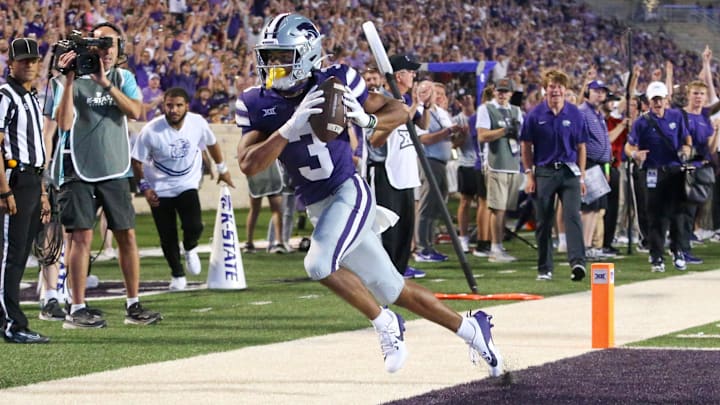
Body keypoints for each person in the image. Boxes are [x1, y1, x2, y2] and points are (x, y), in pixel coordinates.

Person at [236, 13, 502, 376]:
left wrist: (368, 120)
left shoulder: (336, 81)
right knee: (395, 288)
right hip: (318, 206)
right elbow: (249, 164)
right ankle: (474, 331)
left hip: (349, 192)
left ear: (308, 54)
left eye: (283, 56)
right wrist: (288, 128)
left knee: (317, 263)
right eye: (270, 56)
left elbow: (397, 109)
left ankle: (384, 323)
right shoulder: (255, 101)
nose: (274, 65)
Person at [52, 22, 162, 328]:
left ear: (120, 48)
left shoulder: (123, 77)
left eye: (112, 44)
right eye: (100, 44)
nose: (107, 50)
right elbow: (62, 124)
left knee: (126, 234)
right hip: (78, 167)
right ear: (89, 47)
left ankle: (133, 304)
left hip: (114, 166)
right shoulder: (66, 78)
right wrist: (70, 79)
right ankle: (76, 307)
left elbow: (137, 112)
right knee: (81, 237)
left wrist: (105, 83)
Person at [132, 87, 234, 291]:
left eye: (179, 105)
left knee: (194, 225)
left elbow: (212, 143)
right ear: (164, 106)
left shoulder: (198, 123)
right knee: (167, 234)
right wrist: (144, 187)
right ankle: (177, 274)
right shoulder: (151, 130)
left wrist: (222, 168)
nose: (174, 110)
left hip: (187, 182)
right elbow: (136, 161)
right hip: (159, 186)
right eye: (169, 105)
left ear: (187, 106)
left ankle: (190, 247)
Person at [0, 38, 52, 343]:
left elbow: (37, 149)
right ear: (11, 64)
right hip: (15, 180)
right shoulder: (5, 95)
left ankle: (8, 319)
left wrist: (43, 191)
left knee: (18, 254)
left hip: (31, 180)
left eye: (33, 60)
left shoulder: (30, 96)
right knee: (11, 254)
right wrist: (4, 189)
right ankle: (13, 323)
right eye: (23, 60)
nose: (29, 65)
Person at [520, 69, 588, 282]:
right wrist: (529, 174)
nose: (555, 90)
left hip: (569, 171)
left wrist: (582, 176)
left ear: (565, 90)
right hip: (545, 171)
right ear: (545, 89)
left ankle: (577, 262)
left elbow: (581, 146)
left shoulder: (575, 113)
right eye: (551, 86)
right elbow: (526, 146)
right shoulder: (535, 114)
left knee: (573, 216)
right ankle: (544, 267)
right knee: (544, 220)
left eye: (559, 86)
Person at [365, 56, 430, 279]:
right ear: (399, 75)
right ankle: (384, 271)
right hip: (385, 169)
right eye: (410, 72)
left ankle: (400, 268)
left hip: (404, 171)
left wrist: (423, 105)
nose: (414, 76)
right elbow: (374, 140)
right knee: (387, 227)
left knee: (405, 226)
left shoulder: (402, 99)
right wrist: (399, 116)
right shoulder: (379, 100)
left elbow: (422, 124)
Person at [625, 81, 692, 273]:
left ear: (666, 99)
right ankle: (656, 255)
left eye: (660, 99)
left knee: (678, 213)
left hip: (674, 170)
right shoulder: (641, 122)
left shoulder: (676, 116)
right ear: (648, 101)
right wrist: (635, 154)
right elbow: (628, 146)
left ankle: (678, 250)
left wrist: (687, 149)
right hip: (653, 171)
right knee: (656, 216)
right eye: (654, 99)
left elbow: (686, 138)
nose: (657, 103)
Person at [477, 77, 524, 263]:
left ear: (511, 93)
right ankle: (495, 249)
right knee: (497, 208)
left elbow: (522, 134)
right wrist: (504, 131)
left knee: (505, 209)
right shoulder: (486, 108)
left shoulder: (516, 111)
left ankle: (499, 246)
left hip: (512, 163)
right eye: (499, 91)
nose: (502, 94)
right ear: (494, 91)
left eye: (506, 91)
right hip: (496, 162)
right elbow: (482, 136)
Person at [414, 82, 460, 263]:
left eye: (442, 94)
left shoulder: (441, 113)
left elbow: (450, 137)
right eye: (436, 93)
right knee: (426, 205)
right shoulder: (420, 111)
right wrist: (447, 131)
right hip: (428, 160)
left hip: (442, 162)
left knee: (436, 206)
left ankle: (429, 245)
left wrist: (458, 133)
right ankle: (422, 248)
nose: (439, 97)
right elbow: (423, 138)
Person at [578, 80, 612, 260]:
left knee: (595, 208)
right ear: (587, 92)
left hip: (598, 165)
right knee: (588, 208)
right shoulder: (583, 112)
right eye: (596, 91)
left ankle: (589, 245)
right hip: (588, 163)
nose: (600, 94)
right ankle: (584, 246)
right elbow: (580, 142)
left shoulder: (598, 114)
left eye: (602, 91)